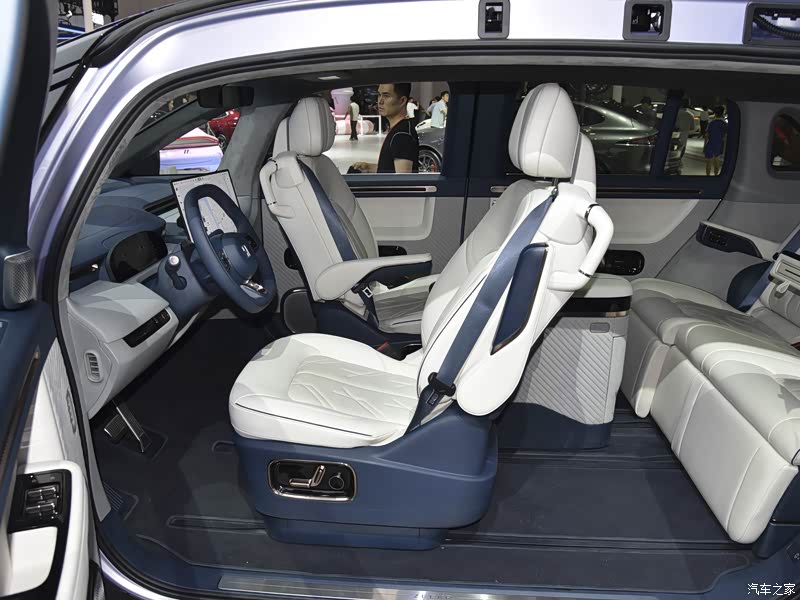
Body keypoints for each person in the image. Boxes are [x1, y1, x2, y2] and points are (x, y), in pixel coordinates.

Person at [350, 83, 419, 174]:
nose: (380, 101)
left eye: (386, 96)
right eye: (379, 95)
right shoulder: (398, 129)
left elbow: (402, 180)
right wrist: (369, 167)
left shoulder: (402, 135)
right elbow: (391, 169)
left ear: (402, 101)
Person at [704, 105, 727, 176]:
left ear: (715, 113)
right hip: (719, 144)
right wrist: (724, 148)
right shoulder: (725, 124)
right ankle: (716, 175)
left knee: (708, 163)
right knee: (717, 162)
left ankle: (707, 176)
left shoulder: (711, 123)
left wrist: (704, 146)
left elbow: (706, 136)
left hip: (710, 144)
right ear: (722, 113)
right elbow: (725, 137)